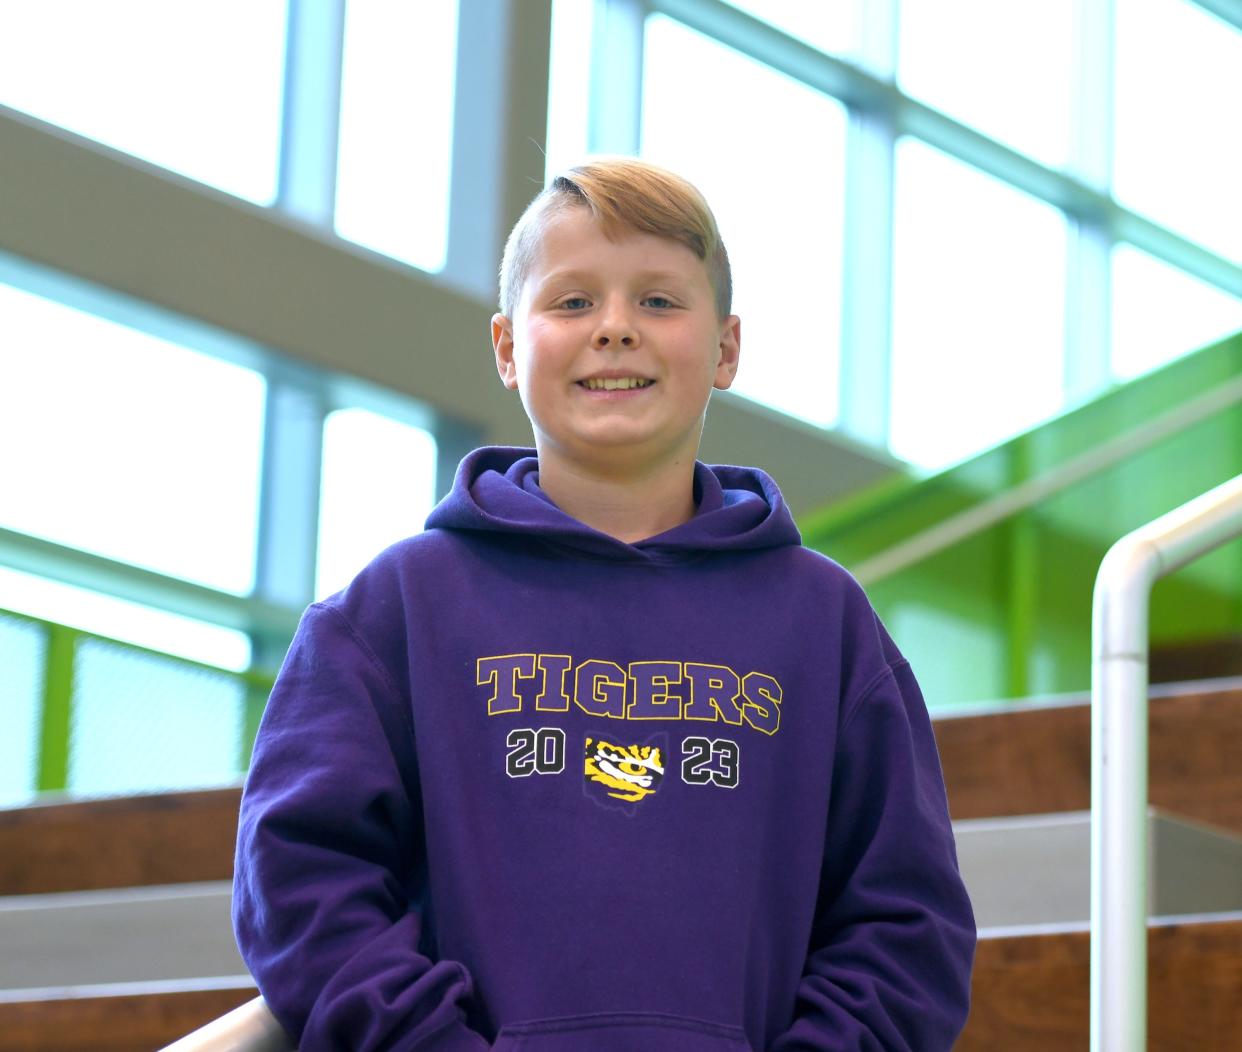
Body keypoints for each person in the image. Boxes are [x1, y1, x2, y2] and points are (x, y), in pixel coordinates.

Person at [232, 157, 976, 1051]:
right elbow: (304, 881)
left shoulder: (825, 622)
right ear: (508, 348)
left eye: (659, 301)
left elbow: (906, 924)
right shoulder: (391, 612)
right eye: (573, 301)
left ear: (727, 348)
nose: (616, 329)